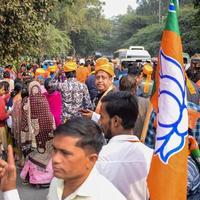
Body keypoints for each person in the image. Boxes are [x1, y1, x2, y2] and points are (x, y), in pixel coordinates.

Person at [0, 118, 126, 200]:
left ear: (91, 160)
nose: (55, 159)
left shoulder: (108, 196)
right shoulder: (57, 181)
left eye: (65, 153)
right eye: (54, 149)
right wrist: (9, 189)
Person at [96, 91, 153, 200]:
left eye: (102, 117)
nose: (99, 122)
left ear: (116, 121)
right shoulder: (151, 156)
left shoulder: (99, 157)